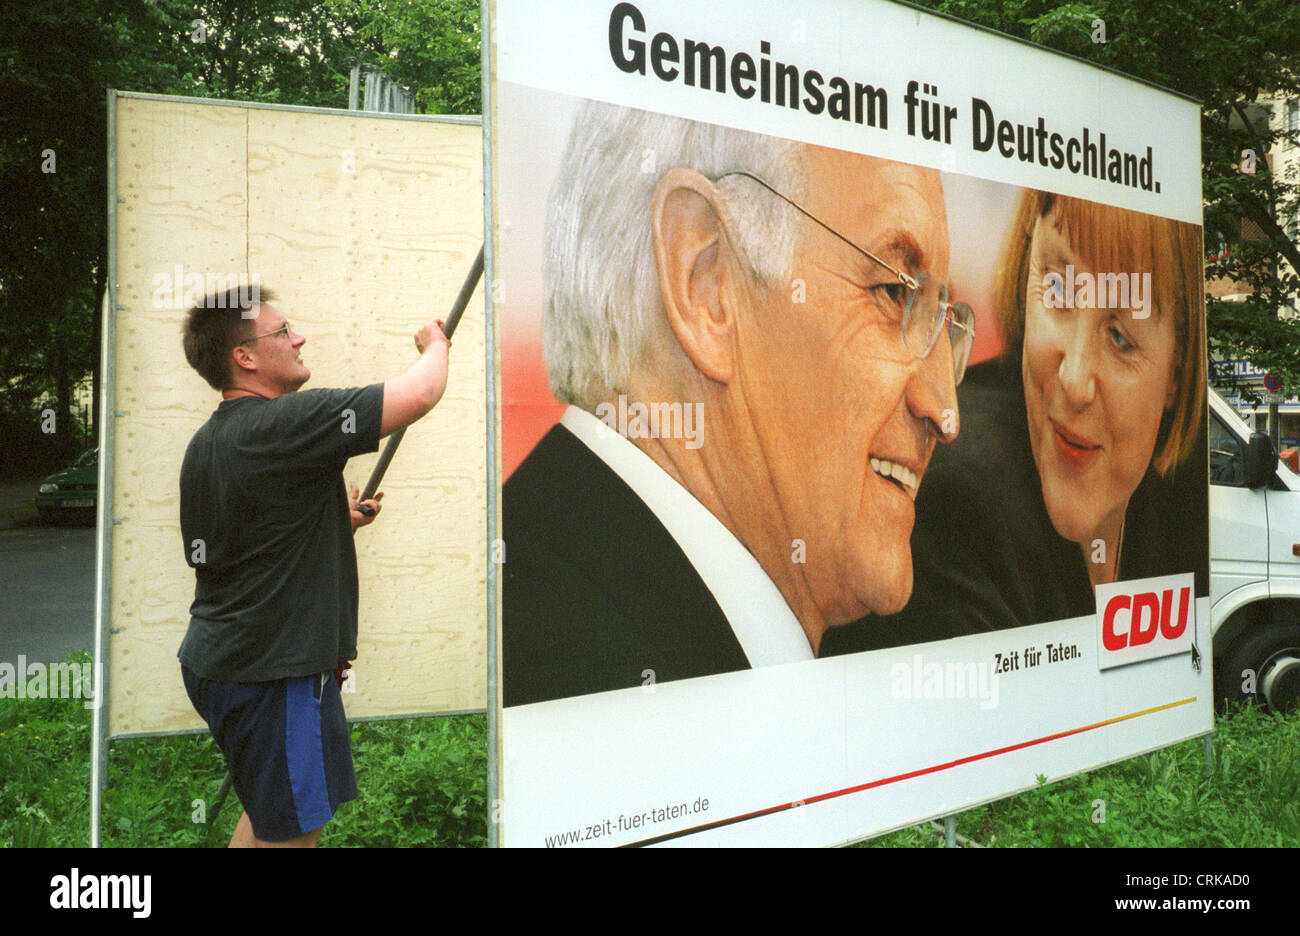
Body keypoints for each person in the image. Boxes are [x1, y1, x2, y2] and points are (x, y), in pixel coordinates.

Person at [503, 102, 973, 706]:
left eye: (943, 320)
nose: (946, 410)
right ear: (707, 286)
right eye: (893, 293)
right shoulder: (581, 674)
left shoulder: (570, 590)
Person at [820, 191, 1208, 655]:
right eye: (1059, 290)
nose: (1073, 379)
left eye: (1121, 337)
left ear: (1176, 376)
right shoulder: (955, 511)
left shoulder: (1183, 493)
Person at [178, 285, 450, 846]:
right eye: (281, 332)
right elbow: (420, 394)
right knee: (295, 834)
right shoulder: (289, 422)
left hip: (223, 663)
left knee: (269, 812)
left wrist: (330, 520)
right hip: (273, 673)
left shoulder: (210, 443)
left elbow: (241, 544)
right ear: (244, 357)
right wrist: (435, 344)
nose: (297, 337)